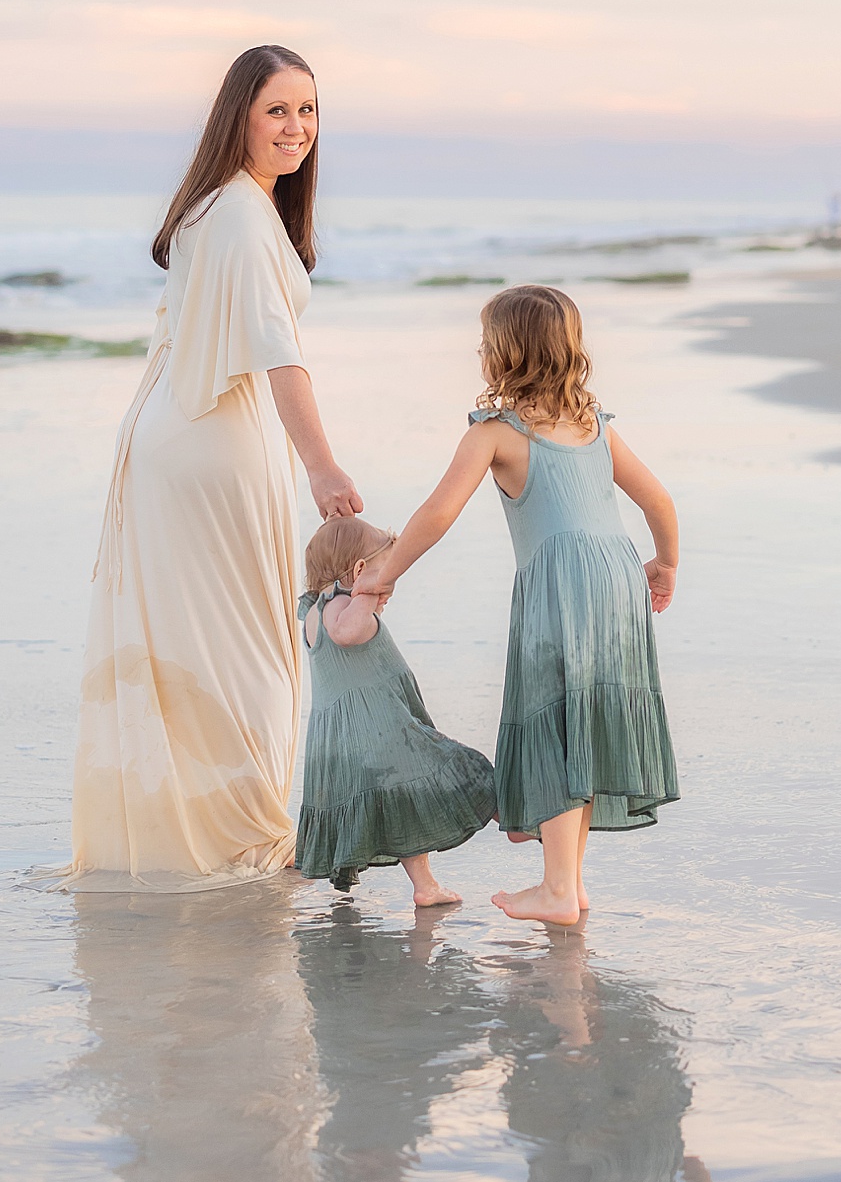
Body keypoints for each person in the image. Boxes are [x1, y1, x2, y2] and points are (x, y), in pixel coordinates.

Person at [65, 45, 364, 891]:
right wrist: (322, 466)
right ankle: (243, 836)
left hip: (173, 434)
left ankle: (208, 830)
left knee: (210, 646)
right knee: (249, 654)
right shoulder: (238, 212)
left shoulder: (219, 206)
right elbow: (277, 351)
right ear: (238, 114)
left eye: (308, 111)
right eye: (277, 110)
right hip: (211, 443)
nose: (296, 129)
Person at [356, 284, 678, 926]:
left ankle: (558, 890)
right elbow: (659, 503)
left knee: (556, 725)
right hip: (616, 578)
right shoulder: (595, 427)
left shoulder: (495, 434)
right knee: (583, 721)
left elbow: (438, 513)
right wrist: (664, 565)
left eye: (484, 344)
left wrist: (384, 572)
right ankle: (570, 885)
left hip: (558, 586)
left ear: (503, 356)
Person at [294, 515, 496, 908]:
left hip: (353, 740)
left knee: (401, 806)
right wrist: (368, 594)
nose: (390, 587)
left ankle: (425, 886)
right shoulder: (337, 607)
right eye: (387, 574)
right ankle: (528, 819)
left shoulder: (317, 609)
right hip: (380, 733)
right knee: (465, 769)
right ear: (359, 572)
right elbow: (347, 632)